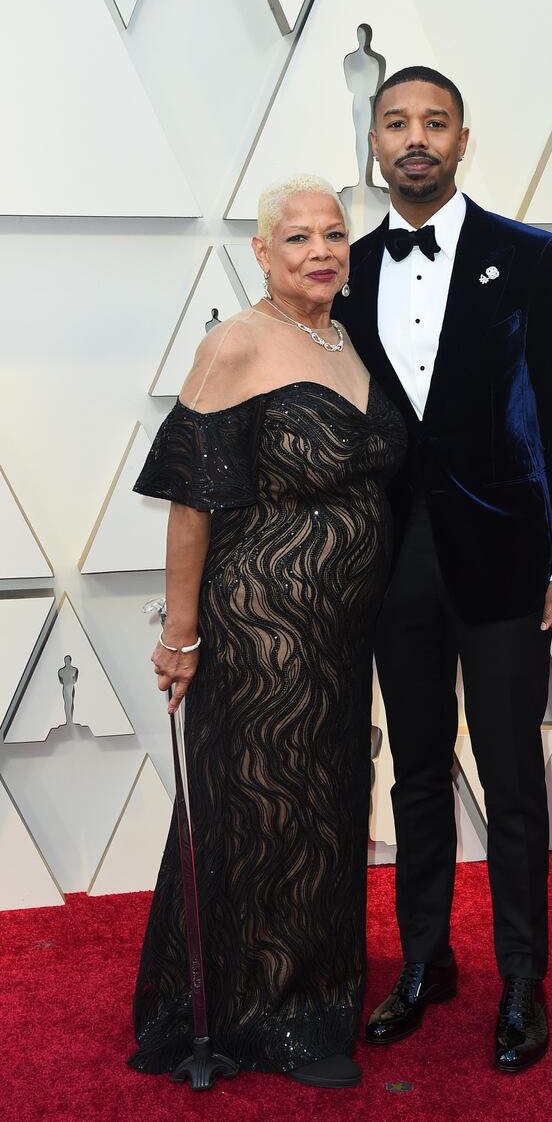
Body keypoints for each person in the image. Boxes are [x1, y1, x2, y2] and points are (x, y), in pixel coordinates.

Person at [333, 67, 552, 1073]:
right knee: (410, 777)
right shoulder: (346, 268)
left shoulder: (528, 259)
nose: (415, 139)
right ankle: (423, 962)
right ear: (372, 142)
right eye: (396, 123)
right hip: (386, 564)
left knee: (509, 778)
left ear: (461, 139)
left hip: (504, 558)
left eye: (432, 123)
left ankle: (523, 982)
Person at [128, 175, 405, 1089]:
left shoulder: (349, 336)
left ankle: (315, 993)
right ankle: (266, 1019)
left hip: (340, 632)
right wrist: (182, 631)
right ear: (260, 251)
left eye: (333, 235)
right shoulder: (236, 344)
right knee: (268, 809)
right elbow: (190, 505)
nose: (320, 251)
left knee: (326, 806)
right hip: (261, 626)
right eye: (297, 238)